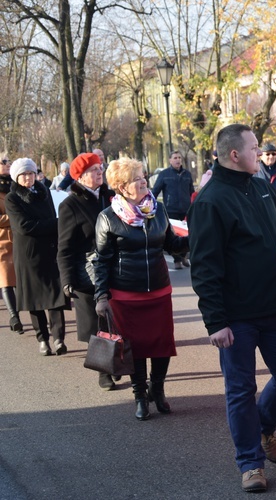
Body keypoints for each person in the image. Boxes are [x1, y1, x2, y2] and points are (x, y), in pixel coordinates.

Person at [188, 123, 276, 493]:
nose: (261, 152)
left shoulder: (262, 186)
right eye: (254, 147)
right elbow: (205, 268)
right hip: (236, 317)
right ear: (235, 155)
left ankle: (264, 425)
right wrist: (215, 322)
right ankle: (250, 463)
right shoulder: (209, 201)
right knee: (240, 389)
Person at [93, 158, 189, 420]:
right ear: (122, 187)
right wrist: (101, 296)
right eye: (137, 179)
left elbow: (172, 245)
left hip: (159, 291)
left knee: (161, 345)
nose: (144, 182)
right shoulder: (108, 218)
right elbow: (101, 261)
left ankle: (157, 390)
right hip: (126, 295)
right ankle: (140, 395)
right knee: (135, 348)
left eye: (143, 176)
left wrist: (197, 238)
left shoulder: (158, 210)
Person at [57, 153, 116, 390]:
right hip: (87, 273)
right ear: (80, 176)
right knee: (96, 325)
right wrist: (67, 280)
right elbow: (65, 247)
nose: (99, 172)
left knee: (117, 321)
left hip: (114, 267)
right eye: (93, 170)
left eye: (100, 168)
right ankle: (103, 372)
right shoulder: (70, 204)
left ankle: (119, 362)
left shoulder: (110, 196)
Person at [6, 158, 68, 355]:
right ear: (17, 177)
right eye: (24, 174)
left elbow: (51, 215)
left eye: (31, 173)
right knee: (35, 299)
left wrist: (54, 225)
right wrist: (55, 224)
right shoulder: (12, 198)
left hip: (50, 250)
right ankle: (43, 339)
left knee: (56, 296)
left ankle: (59, 338)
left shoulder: (44, 192)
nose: (28, 177)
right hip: (28, 254)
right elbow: (24, 226)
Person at [152, 150, 193, 269]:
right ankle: (177, 259)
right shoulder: (164, 174)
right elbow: (155, 191)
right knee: (174, 236)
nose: (178, 160)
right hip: (171, 209)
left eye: (179, 157)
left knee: (186, 233)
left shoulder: (187, 174)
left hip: (186, 210)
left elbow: (191, 192)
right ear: (170, 160)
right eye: (175, 158)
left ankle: (184, 256)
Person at [0, 157, 23, 333]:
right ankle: (14, 315)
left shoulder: (18, 186)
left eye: (8, 162)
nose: (7, 164)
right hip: (3, 240)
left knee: (20, 278)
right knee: (6, 279)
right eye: (2, 162)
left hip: (21, 238)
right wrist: (13, 218)